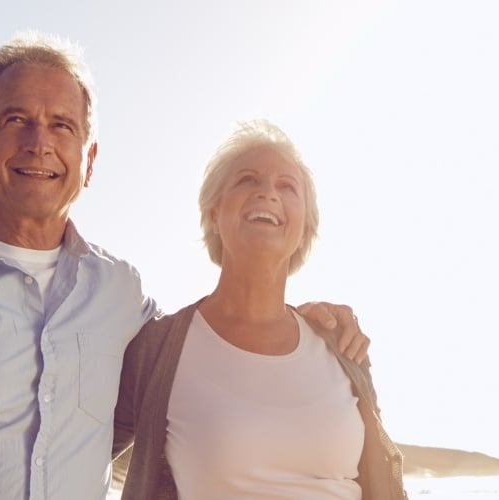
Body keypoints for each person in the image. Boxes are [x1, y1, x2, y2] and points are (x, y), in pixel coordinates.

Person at [0, 33, 370, 500]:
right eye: (16, 120)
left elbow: (211, 355)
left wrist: (308, 319)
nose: (39, 143)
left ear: (88, 160)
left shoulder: (119, 293)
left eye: (62, 125)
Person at [111, 120, 407, 499]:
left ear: (304, 228)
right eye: (247, 180)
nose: (268, 192)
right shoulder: (158, 349)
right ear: (214, 214)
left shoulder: (341, 347)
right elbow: (74, 452)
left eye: (287, 186)